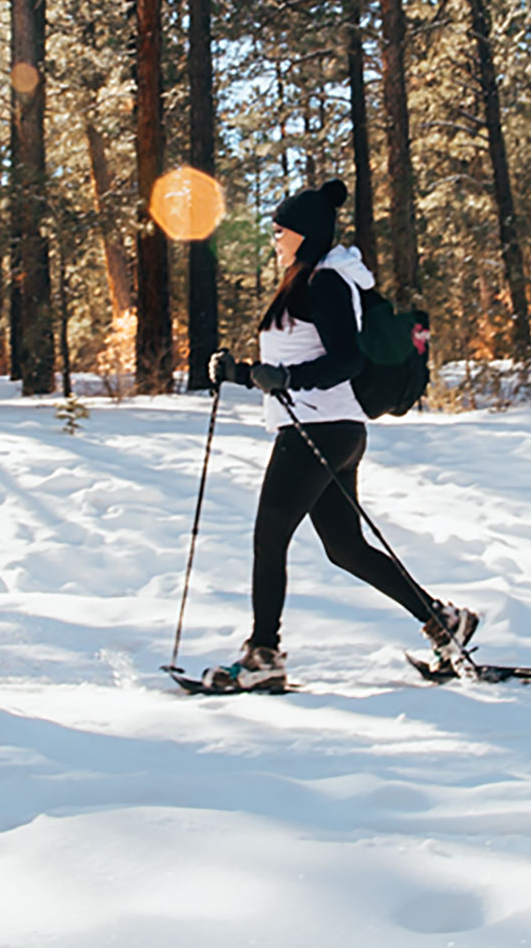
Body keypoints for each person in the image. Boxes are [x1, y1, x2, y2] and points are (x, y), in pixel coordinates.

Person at [200, 179, 477, 691]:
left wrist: (287, 380)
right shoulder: (307, 280)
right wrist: (242, 373)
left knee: (270, 536)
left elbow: (344, 360)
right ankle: (443, 620)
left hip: (318, 428)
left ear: (304, 233)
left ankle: (264, 655)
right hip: (328, 427)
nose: (275, 240)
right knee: (345, 548)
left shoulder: (326, 282)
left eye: (280, 231)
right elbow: (293, 363)